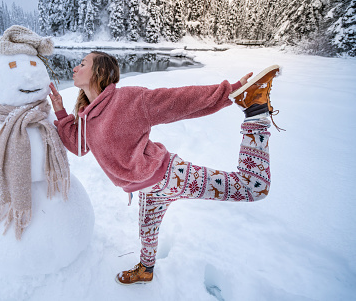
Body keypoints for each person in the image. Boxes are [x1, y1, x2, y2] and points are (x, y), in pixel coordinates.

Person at [48, 51, 280, 285]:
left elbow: (180, 101)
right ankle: (146, 270)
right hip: (147, 190)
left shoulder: (128, 100)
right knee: (147, 234)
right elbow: (78, 146)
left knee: (254, 187)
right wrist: (60, 110)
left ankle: (255, 110)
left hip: (170, 176)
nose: (76, 68)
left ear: (99, 71)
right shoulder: (88, 116)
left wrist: (232, 91)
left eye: (82, 64)